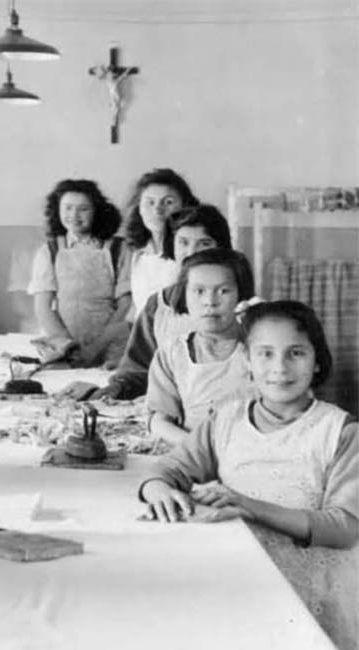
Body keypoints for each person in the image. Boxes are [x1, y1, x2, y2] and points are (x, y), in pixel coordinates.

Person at [139, 301, 358, 650]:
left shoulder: (340, 431)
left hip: (313, 589)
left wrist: (249, 506)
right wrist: (157, 489)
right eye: (265, 354)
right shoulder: (225, 421)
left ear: (317, 361)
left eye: (296, 353)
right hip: (236, 573)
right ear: (247, 362)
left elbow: (345, 527)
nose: (280, 368)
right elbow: (167, 470)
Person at [62, 204, 232, 400]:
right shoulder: (159, 305)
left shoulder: (241, 306)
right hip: (167, 408)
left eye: (204, 243)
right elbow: (138, 369)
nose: (192, 252)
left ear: (221, 247)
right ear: (171, 246)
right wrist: (113, 390)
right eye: (183, 242)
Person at [147, 248, 255, 446]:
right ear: (184, 296)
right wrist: (198, 448)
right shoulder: (172, 354)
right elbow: (159, 420)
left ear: (241, 295)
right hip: (193, 454)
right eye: (199, 291)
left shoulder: (260, 349)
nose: (210, 302)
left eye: (223, 291)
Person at [27, 179, 131, 367]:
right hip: (62, 343)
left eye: (83, 209)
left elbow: (125, 305)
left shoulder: (118, 249)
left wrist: (96, 347)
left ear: (97, 211)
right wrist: (68, 348)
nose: (74, 215)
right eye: (67, 208)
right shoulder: (49, 251)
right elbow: (42, 308)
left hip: (110, 342)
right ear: (57, 211)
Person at [124, 168, 199, 316]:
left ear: (185, 206)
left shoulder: (190, 252)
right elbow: (137, 312)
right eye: (150, 202)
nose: (157, 209)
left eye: (168, 202)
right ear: (139, 208)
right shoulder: (139, 255)